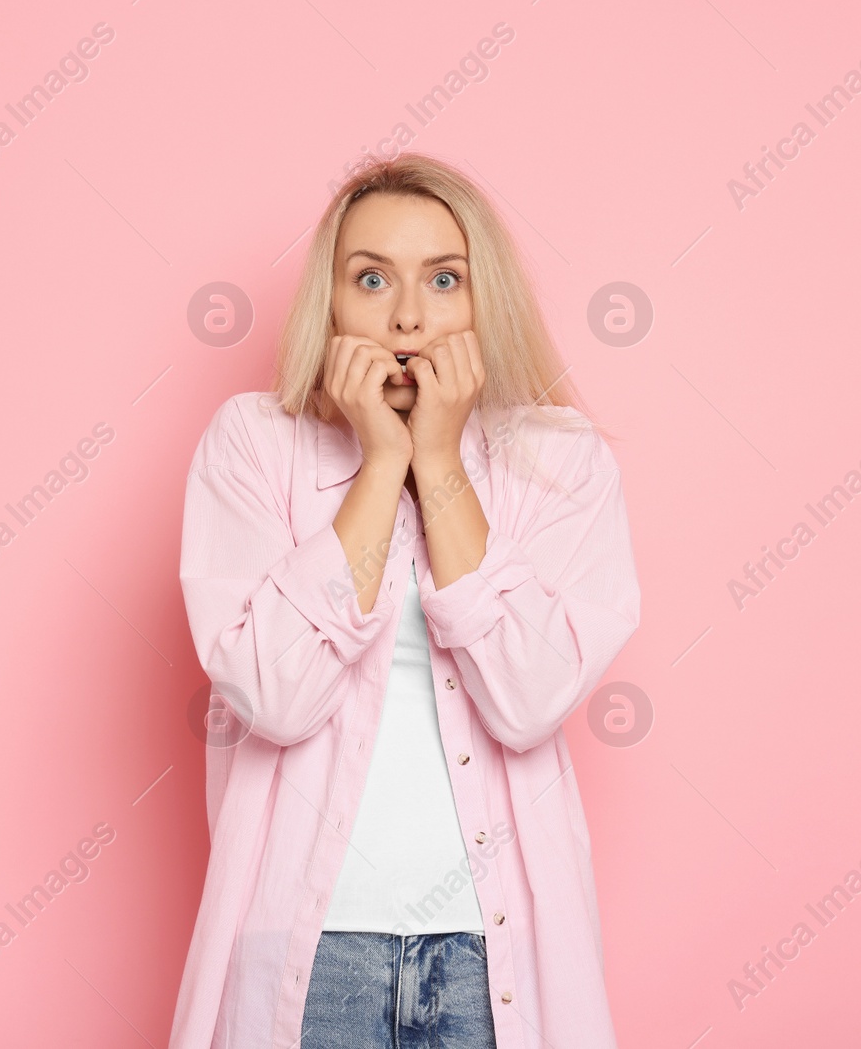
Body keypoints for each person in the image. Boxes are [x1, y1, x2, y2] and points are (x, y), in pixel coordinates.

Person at [169, 152, 641, 1048]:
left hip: (496, 959)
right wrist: (382, 464)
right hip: (307, 953)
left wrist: (440, 459)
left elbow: (530, 700)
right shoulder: (253, 444)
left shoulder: (562, 459)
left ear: (482, 299)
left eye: (445, 280)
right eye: (372, 278)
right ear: (332, 301)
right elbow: (274, 696)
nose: (409, 317)